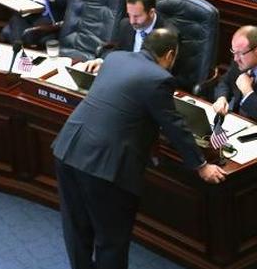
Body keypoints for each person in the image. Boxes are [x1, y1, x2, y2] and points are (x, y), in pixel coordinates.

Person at [52, 29, 227, 269]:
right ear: (170, 55)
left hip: (68, 148)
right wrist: (201, 165)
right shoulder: (159, 78)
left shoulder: (115, 58)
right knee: (111, 239)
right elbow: (174, 125)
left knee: (76, 227)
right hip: (104, 166)